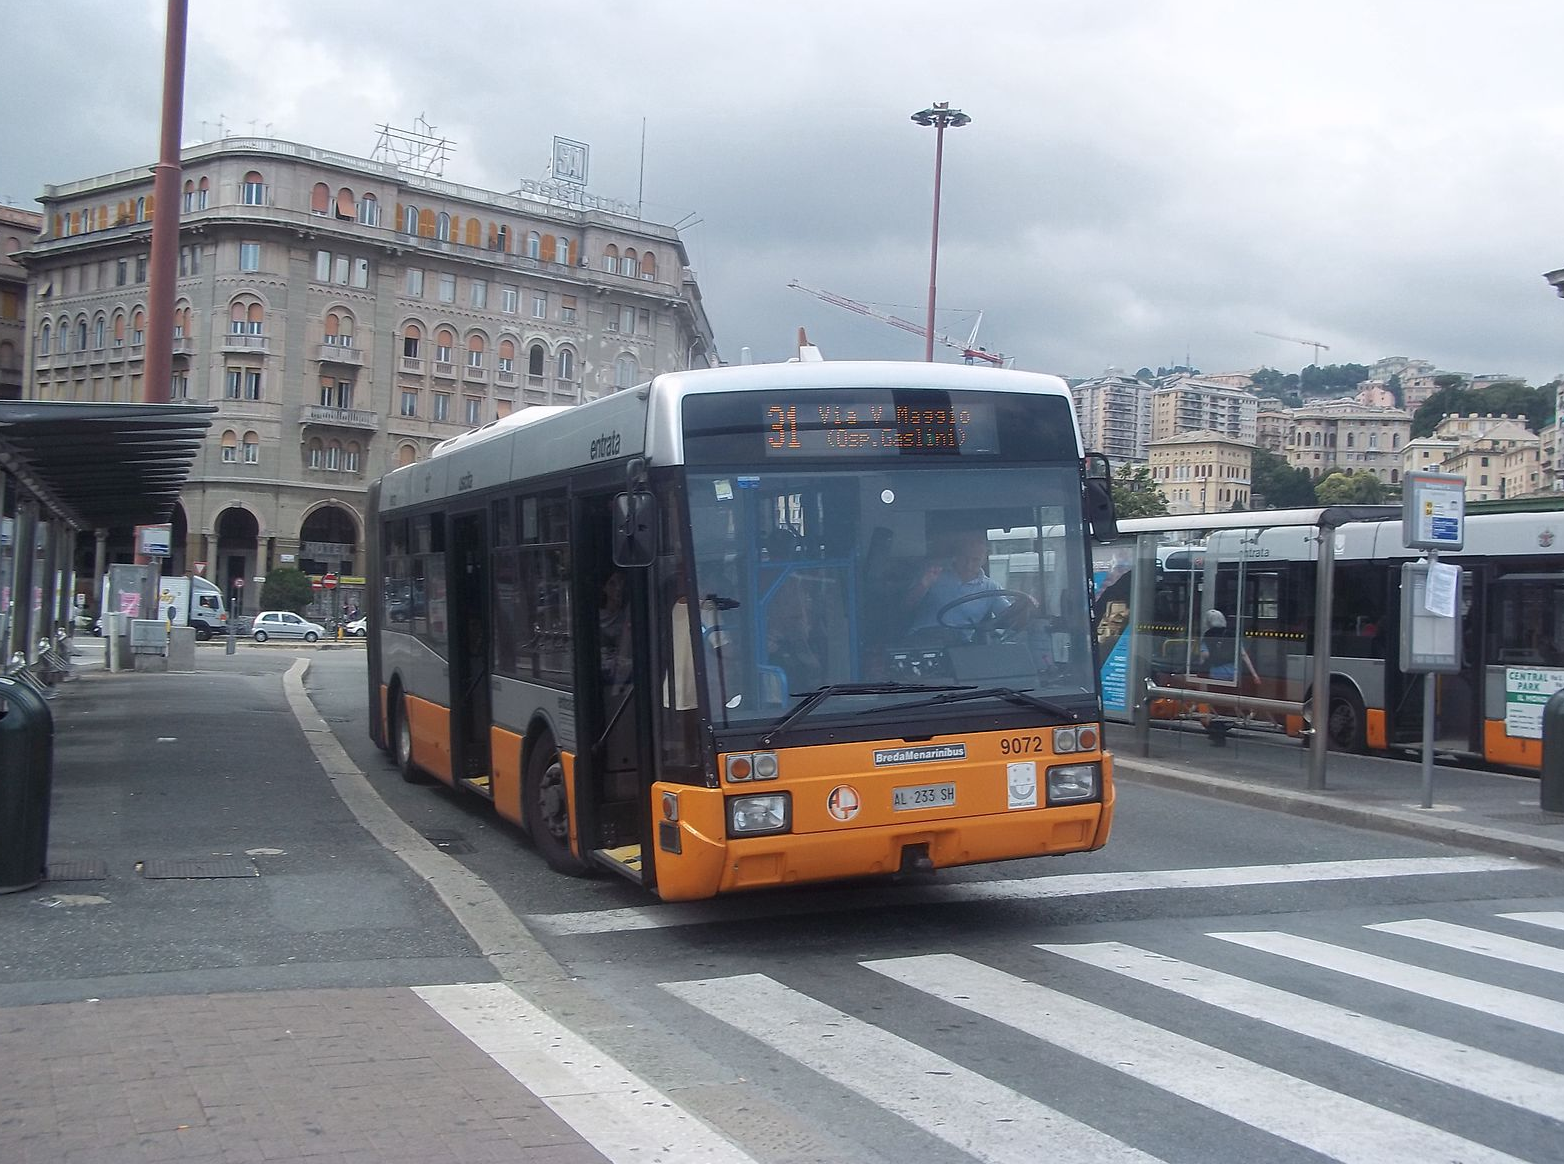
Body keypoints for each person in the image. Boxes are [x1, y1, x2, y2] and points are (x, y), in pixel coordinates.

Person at [905, 529, 1016, 638]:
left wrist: (1025, 607)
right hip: (923, 638)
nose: (968, 565)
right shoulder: (933, 575)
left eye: (975, 560)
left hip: (960, 644)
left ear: (984, 560)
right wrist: (923, 585)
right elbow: (906, 607)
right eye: (964, 559)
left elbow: (1009, 618)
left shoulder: (992, 588)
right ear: (956, 556)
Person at [1200, 609, 1258, 682]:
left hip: (1216, 674)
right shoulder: (1232, 634)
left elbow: (1205, 655)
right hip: (1233, 673)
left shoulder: (1207, 635)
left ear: (1208, 621)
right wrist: (1254, 674)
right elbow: (1243, 654)